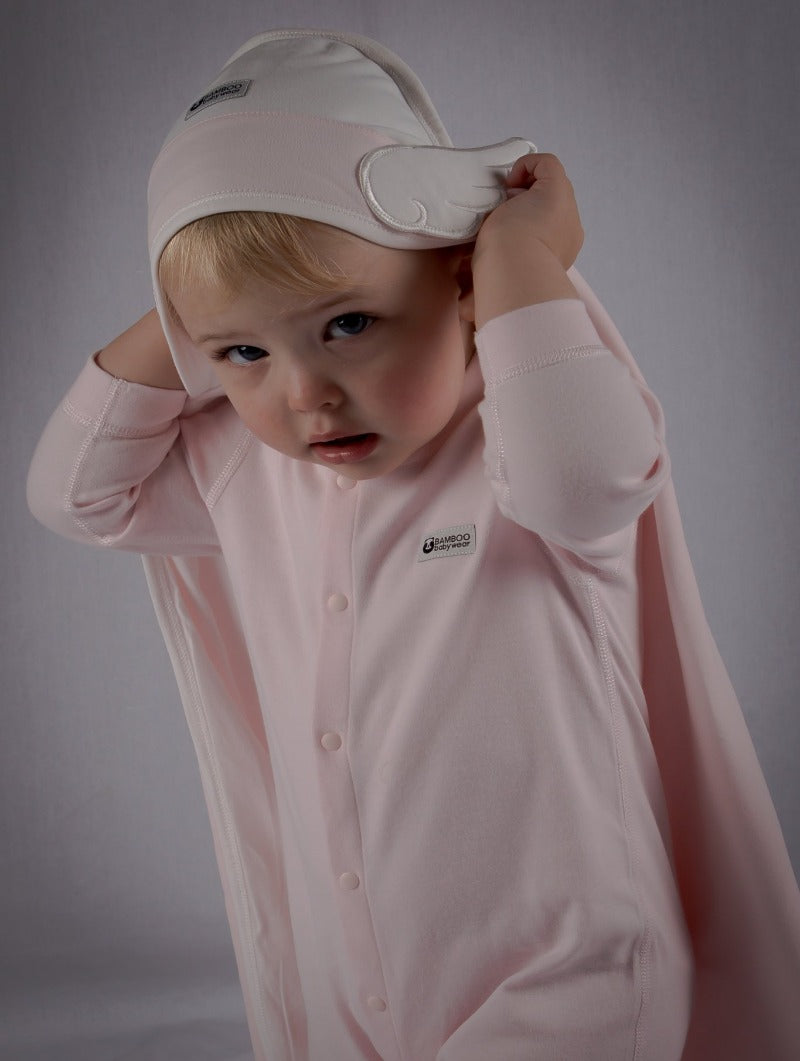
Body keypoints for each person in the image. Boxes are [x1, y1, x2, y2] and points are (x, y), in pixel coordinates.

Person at [27, 28, 800, 1061]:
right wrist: (210, 272)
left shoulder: (525, 428)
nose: (303, 395)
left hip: (569, 980)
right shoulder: (251, 473)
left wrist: (521, 254)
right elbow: (70, 493)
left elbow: (584, 476)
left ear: (457, 279)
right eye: (243, 354)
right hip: (362, 997)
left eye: (348, 323)